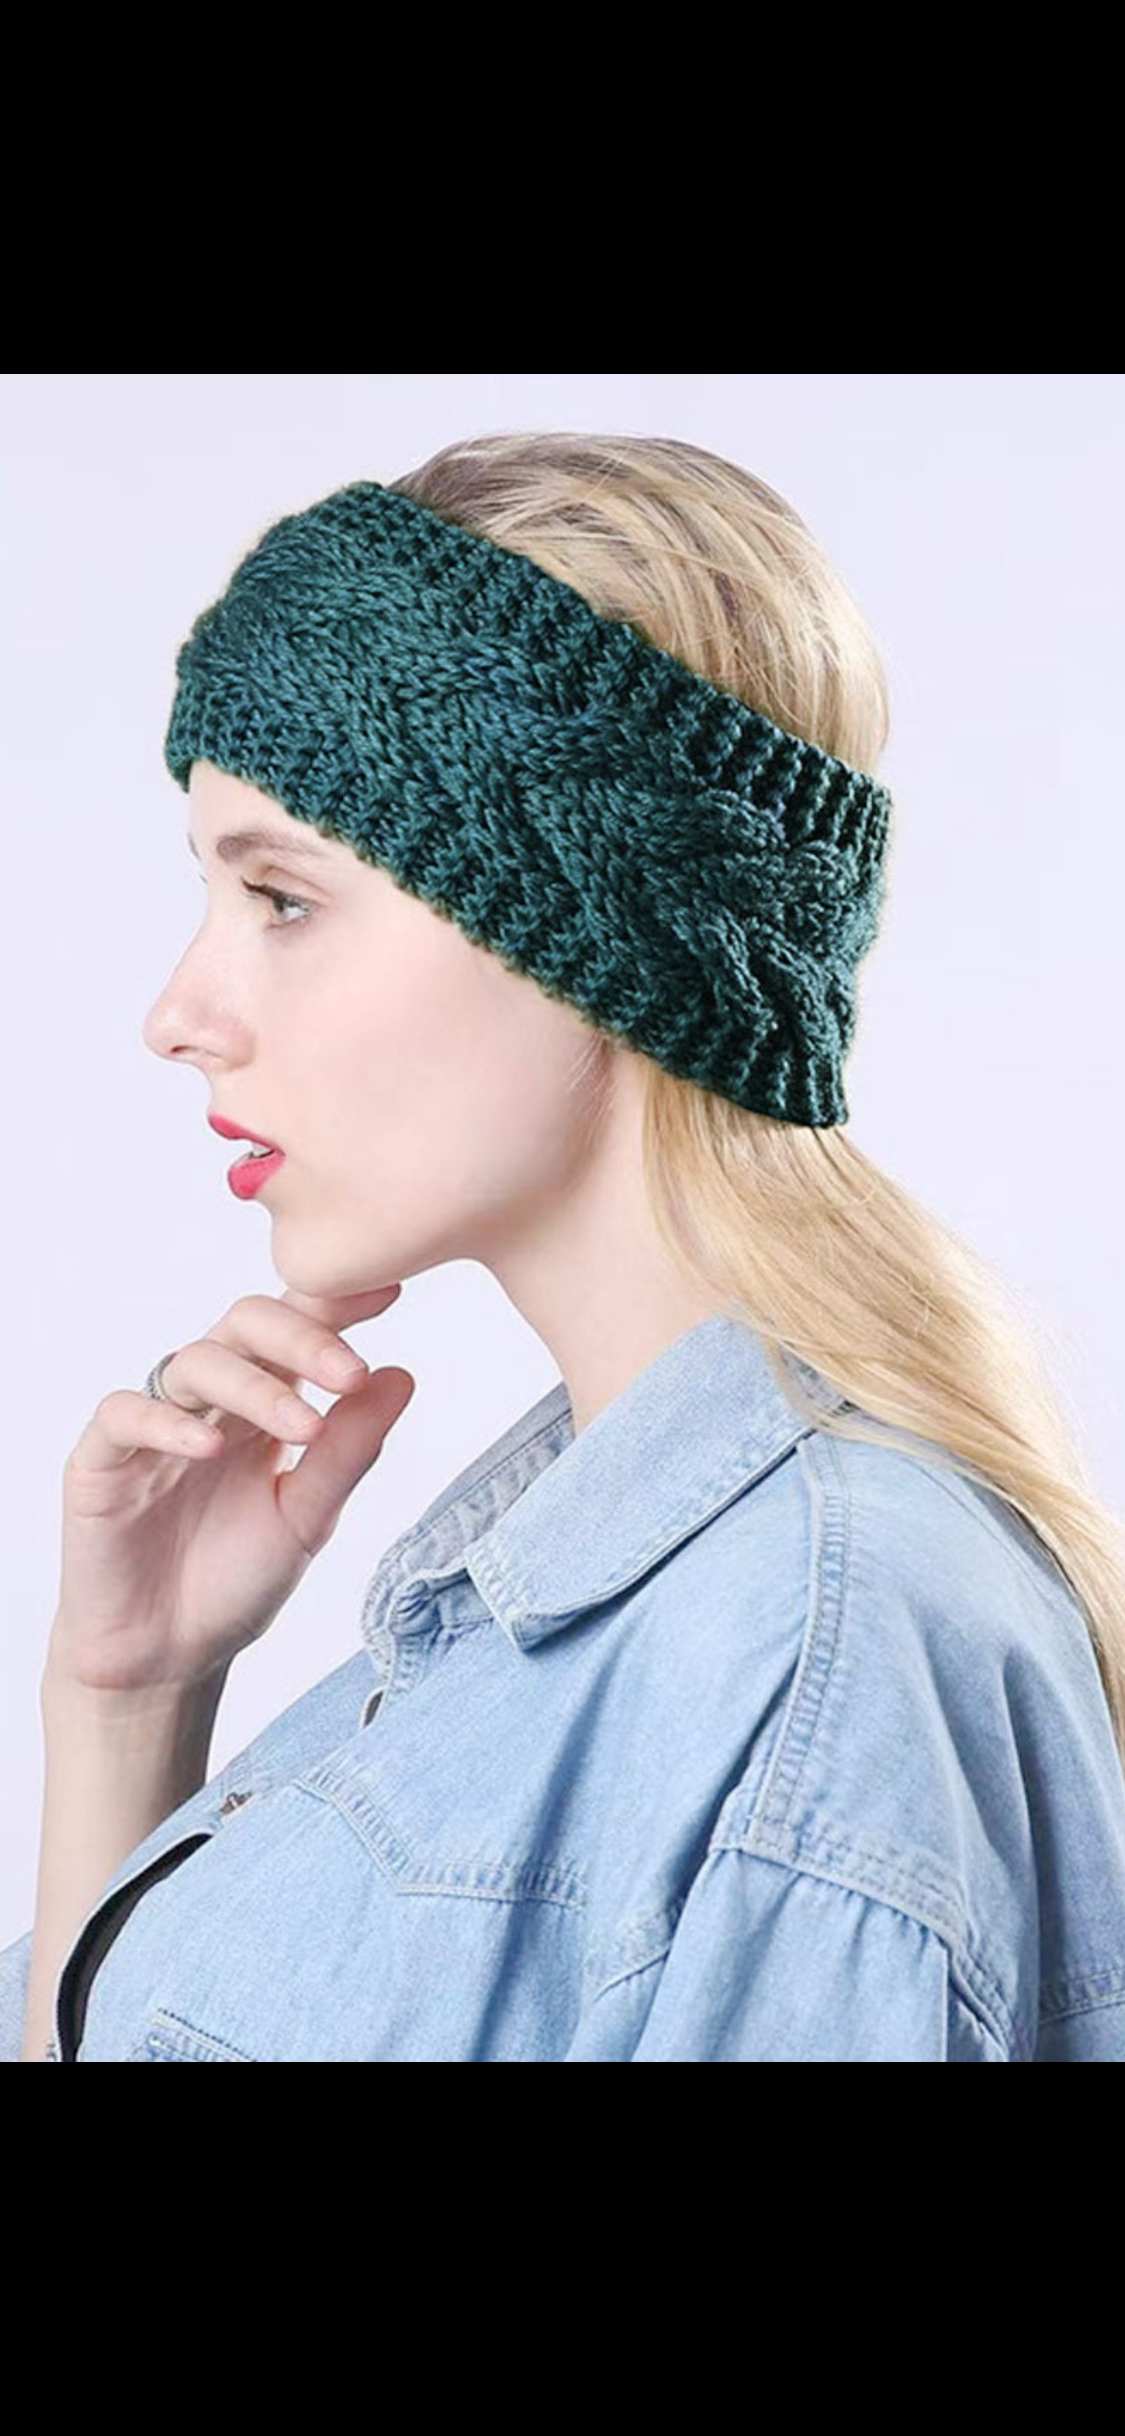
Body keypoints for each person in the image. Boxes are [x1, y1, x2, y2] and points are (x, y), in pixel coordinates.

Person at [4, 430, 1124, 2063]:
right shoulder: (604, 1600)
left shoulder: (812, 1655)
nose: (178, 1015)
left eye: (283, 899)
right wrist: (125, 1698)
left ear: (590, 931)